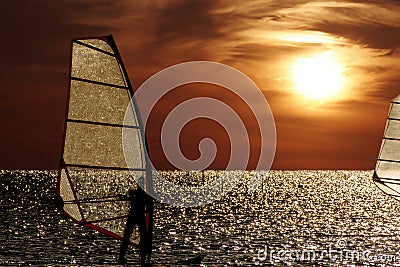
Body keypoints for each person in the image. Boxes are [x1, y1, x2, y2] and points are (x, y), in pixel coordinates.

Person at [118, 177, 154, 265]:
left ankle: (142, 259)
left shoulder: (140, 194)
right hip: (136, 217)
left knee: (142, 237)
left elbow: (148, 204)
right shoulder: (139, 193)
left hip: (136, 217)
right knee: (129, 237)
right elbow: (133, 194)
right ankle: (123, 258)